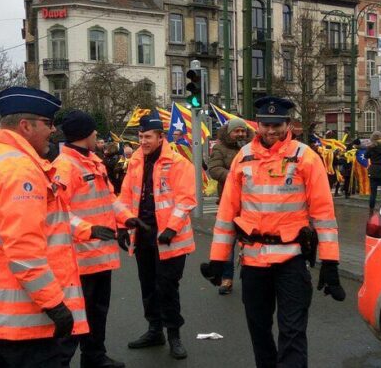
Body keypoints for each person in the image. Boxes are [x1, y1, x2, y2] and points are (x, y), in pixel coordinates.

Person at [0, 87, 88, 367]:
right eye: (47, 123)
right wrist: (55, 305)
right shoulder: (19, 169)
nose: (53, 131)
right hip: (25, 316)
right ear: (26, 126)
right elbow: (25, 251)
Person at [204, 96, 344, 368]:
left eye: (277, 125)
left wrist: (331, 263)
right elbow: (227, 213)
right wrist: (218, 260)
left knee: (292, 332)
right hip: (254, 261)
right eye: (266, 125)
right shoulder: (243, 158)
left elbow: (324, 214)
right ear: (258, 125)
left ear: (287, 124)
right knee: (259, 331)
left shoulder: (305, 157)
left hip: (291, 260)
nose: (271, 131)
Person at [53, 110, 147, 368]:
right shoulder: (65, 166)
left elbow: (108, 200)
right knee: (75, 316)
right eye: (94, 131)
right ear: (85, 134)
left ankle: (94, 357)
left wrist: (127, 218)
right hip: (79, 257)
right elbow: (58, 211)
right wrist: (89, 230)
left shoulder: (92, 161)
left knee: (97, 312)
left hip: (99, 255)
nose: (97, 135)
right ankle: (62, 362)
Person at [117, 110, 196, 360]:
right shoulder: (135, 162)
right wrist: (121, 225)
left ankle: (174, 334)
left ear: (161, 137)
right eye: (140, 136)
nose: (143, 141)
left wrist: (171, 228)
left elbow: (186, 199)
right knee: (148, 286)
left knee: (167, 288)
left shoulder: (179, 163)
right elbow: (126, 196)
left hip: (170, 239)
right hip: (143, 236)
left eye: (148, 136)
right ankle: (154, 330)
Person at [207, 118, 252, 295]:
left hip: (251, 203)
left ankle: (251, 276)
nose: (240, 134)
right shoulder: (219, 148)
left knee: (250, 243)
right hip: (229, 202)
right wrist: (237, 177)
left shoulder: (252, 147)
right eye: (237, 131)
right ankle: (227, 278)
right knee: (228, 242)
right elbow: (214, 169)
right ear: (229, 132)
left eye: (243, 131)